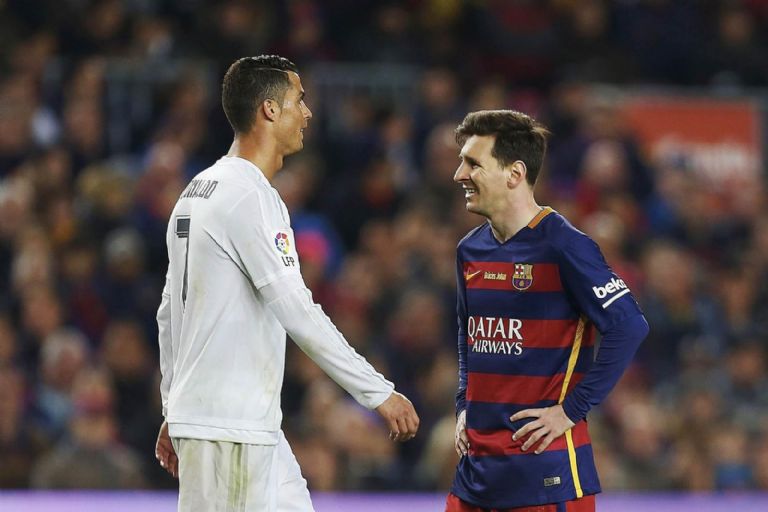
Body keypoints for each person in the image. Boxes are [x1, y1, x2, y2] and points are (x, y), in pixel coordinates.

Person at [153, 55, 419, 512]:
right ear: (270, 110)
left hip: (246, 424)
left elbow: (169, 312)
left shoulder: (197, 189)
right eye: (300, 100)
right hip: (230, 426)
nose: (308, 113)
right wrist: (377, 392)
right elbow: (296, 308)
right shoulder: (250, 196)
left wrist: (174, 405)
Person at [447, 110, 648, 512]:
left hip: (546, 475)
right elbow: (469, 335)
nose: (459, 175)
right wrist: (464, 404)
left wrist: (571, 410)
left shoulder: (564, 245)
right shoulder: (470, 249)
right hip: (476, 473)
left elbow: (629, 326)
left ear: (515, 173)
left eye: (473, 163)